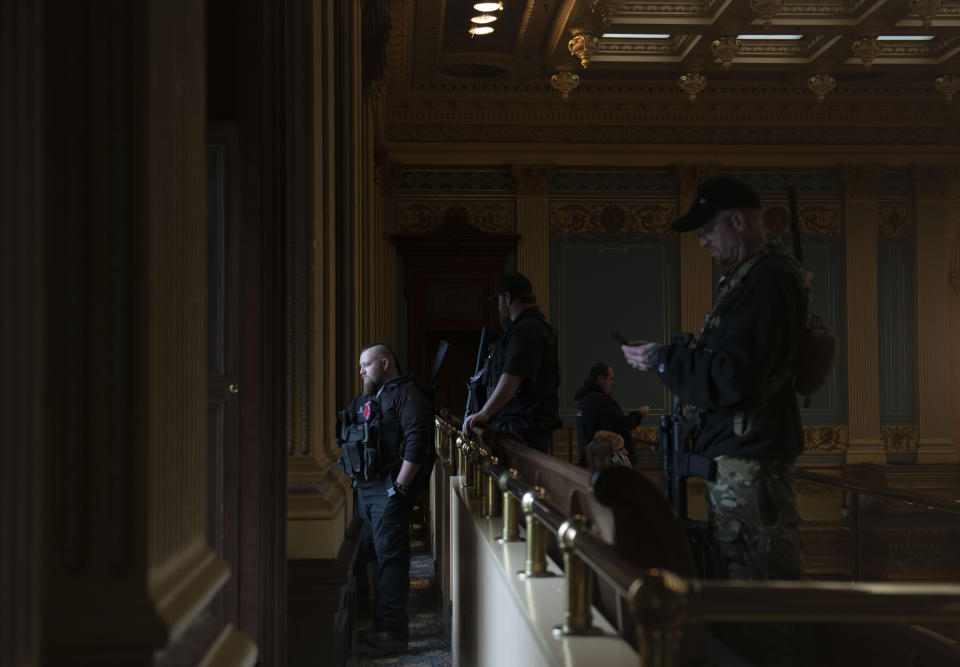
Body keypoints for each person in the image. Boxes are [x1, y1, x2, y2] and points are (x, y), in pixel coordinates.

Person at [621, 175, 808, 583]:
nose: (703, 241)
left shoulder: (767, 278)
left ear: (739, 221)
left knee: (759, 590)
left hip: (753, 461)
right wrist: (666, 360)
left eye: (708, 230)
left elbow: (735, 378)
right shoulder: (751, 277)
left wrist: (663, 359)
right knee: (738, 579)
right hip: (743, 457)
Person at [337, 343, 435, 655]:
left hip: (389, 489)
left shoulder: (407, 395)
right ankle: (381, 626)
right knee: (376, 557)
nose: (361, 371)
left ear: (386, 361)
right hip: (367, 488)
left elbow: (418, 443)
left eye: (366, 364)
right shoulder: (368, 398)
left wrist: (401, 488)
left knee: (391, 560)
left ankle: (393, 634)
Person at [463, 272, 561, 453]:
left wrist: (485, 413)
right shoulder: (528, 328)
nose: (499, 307)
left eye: (499, 301)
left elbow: (512, 377)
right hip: (522, 425)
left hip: (522, 427)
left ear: (508, 299)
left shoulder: (527, 330)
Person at [574, 362, 649, 466]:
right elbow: (621, 425)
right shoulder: (600, 400)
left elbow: (609, 423)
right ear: (600, 378)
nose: (613, 383)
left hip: (593, 463)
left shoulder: (585, 400)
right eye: (611, 378)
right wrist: (639, 414)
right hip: (606, 465)